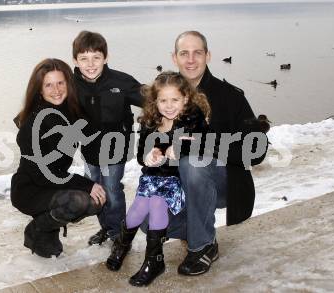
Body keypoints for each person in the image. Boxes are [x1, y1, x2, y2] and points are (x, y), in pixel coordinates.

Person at [161, 31, 269, 276]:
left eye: (197, 52)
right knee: (148, 220)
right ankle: (194, 224)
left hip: (223, 184)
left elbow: (257, 149)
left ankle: (203, 246)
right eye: (184, 53)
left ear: (207, 56)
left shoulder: (230, 96)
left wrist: (205, 144)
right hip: (179, 183)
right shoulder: (165, 96)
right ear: (174, 58)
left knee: (194, 163)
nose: (191, 59)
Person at [106, 71, 211, 286]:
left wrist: (181, 146)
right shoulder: (150, 121)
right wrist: (150, 156)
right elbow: (141, 155)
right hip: (152, 178)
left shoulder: (192, 118)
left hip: (176, 181)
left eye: (175, 100)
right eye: (163, 100)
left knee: (156, 204)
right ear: (155, 101)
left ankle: (154, 260)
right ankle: (122, 245)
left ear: (186, 99)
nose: (169, 105)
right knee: (136, 210)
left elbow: (204, 141)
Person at [11, 58, 107, 258]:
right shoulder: (32, 124)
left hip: (55, 182)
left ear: (68, 84)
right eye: (48, 85)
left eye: (60, 83)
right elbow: (45, 174)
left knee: (96, 201)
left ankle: (48, 224)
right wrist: (87, 184)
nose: (56, 90)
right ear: (39, 89)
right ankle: (38, 228)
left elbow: (95, 134)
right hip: (32, 189)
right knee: (80, 200)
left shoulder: (70, 111)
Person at [72, 31, 144, 245]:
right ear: (75, 60)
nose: (91, 64)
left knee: (112, 190)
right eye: (84, 58)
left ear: (106, 57)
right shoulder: (69, 85)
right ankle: (106, 227)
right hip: (88, 149)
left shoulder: (121, 81)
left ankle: (118, 234)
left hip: (115, 147)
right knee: (95, 190)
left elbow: (155, 101)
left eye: (96, 57)